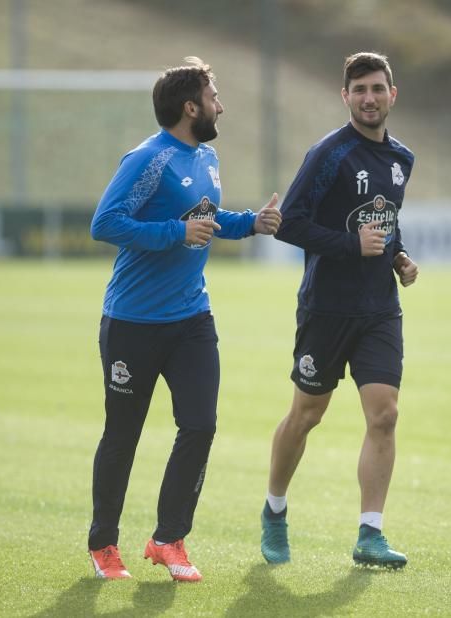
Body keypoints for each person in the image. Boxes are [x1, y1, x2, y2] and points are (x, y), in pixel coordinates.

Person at [86, 57, 282, 582]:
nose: (222, 104)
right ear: (190, 106)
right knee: (123, 434)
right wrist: (175, 233)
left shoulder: (208, 157)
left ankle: (168, 538)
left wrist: (251, 224)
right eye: (214, 96)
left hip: (192, 318)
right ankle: (104, 543)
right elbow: (105, 223)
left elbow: (205, 220)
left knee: (200, 425)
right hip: (132, 321)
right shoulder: (148, 158)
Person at [259, 51, 419, 569]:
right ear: (345, 97)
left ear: (392, 95)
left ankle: (369, 534)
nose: (369, 98)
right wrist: (353, 245)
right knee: (307, 414)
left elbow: (386, 220)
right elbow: (288, 223)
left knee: (385, 414)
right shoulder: (328, 153)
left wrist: (398, 255)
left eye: (377, 89)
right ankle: (275, 510)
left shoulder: (402, 159)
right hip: (326, 309)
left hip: (379, 309)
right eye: (359, 90)